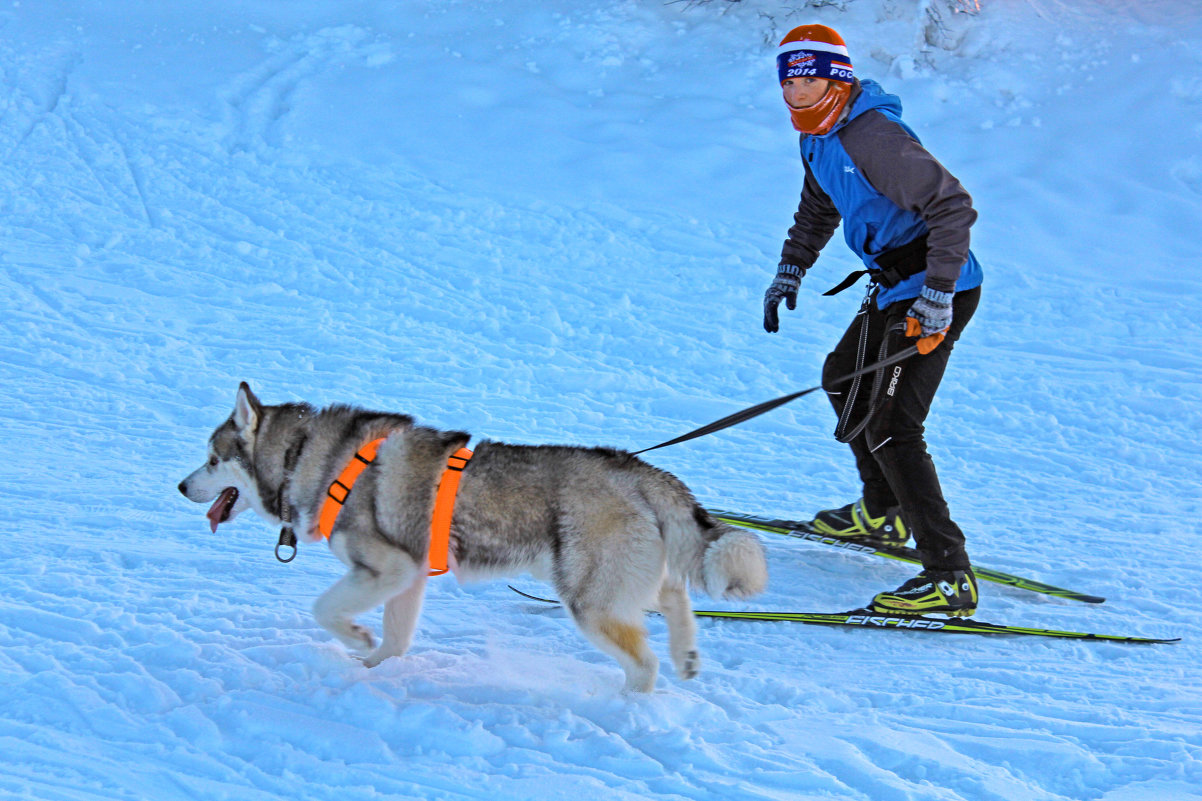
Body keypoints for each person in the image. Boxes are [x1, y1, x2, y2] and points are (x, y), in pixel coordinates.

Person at [762, 24, 984, 617]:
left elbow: (953, 208)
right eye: (789, 81)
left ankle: (948, 574)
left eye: (810, 79)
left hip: (936, 287)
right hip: (894, 285)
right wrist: (791, 268)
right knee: (842, 379)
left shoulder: (873, 135)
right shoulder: (818, 135)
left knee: (892, 424)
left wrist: (935, 297)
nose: (798, 92)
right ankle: (883, 515)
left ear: (836, 79)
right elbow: (818, 202)